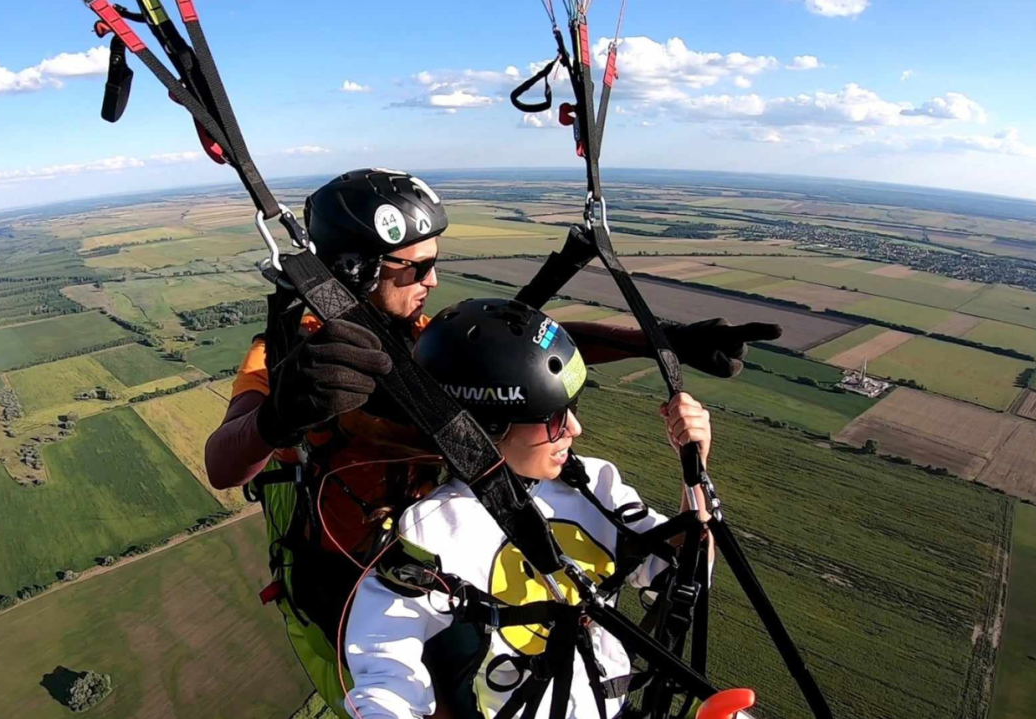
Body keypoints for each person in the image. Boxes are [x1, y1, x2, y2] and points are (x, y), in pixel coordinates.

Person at [202, 168, 773, 714]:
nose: (431, 281)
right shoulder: (285, 360)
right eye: (414, 267)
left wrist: (662, 341)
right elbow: (224, 464)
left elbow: (515, 352)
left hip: (465, 531)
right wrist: (277, 419)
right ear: (356, 269)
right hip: (369, 574)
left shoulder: (417, 331)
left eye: (434, 263)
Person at [342, 299, 715, 718]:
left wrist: (694, 470)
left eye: (573, 407)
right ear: (484, 427)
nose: (575, 429)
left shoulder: (595, 484)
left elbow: (684, 575)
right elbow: (385, 671)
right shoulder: (429, 534)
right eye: (554, 418)